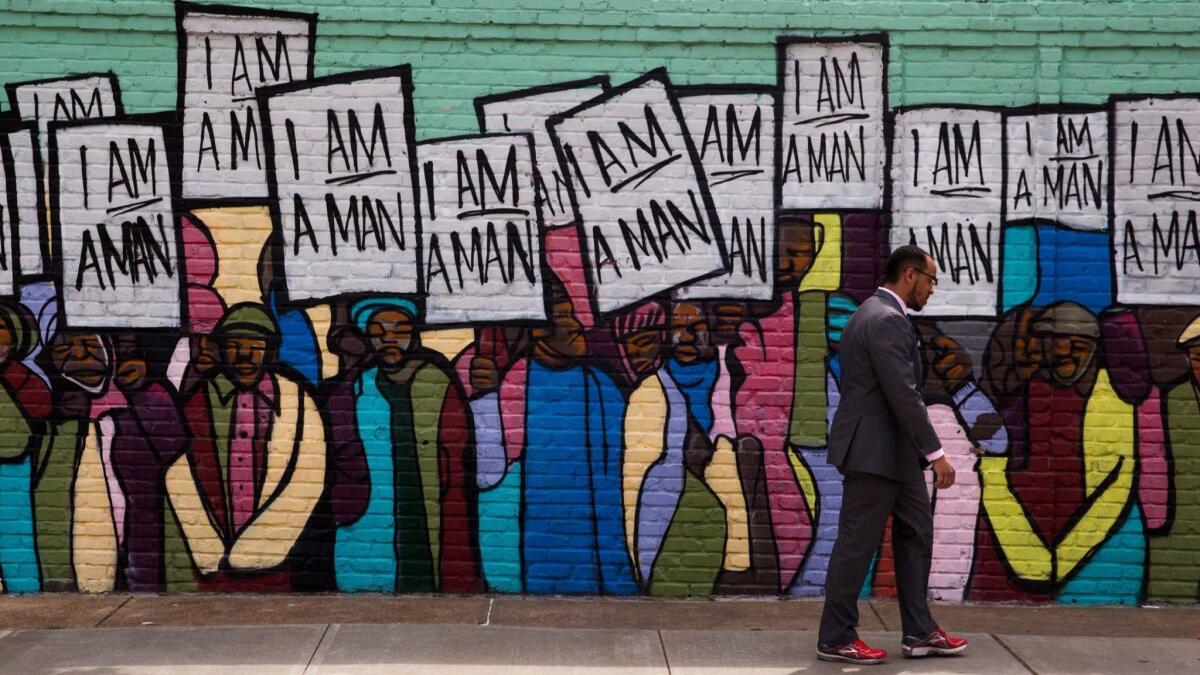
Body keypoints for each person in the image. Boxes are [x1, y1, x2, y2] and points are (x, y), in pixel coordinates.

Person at [816, 245, 968, 664]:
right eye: (931, 280)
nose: (932, 290)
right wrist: (936, 453)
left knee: (916, 534)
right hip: (873, 453)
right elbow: (903, 393)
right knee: (856, 544)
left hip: (893, 454)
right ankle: (835, 636)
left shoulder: (874, 314)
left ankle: (919, 631)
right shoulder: (885, 320)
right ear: (909, 275)